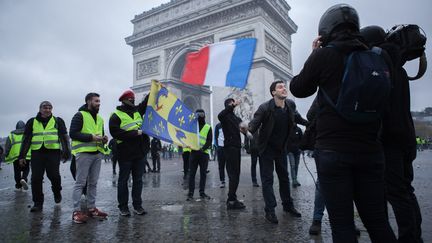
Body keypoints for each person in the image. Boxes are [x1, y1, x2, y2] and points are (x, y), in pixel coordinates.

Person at [290, 4, 397, 242]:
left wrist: (314, 53)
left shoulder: (325, 55)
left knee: (342, 225)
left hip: (333, 151)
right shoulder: (379, 57)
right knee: (378, 222)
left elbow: (298, 88)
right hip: (370, 150)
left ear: (326, 30)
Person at [361, 25, 424, 243]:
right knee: (406, 191)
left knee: (397, 194)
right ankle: (415, 236)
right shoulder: (399, 67)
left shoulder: (380, 66)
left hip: (389, 139)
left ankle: (409, 239)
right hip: (405, 137)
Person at [247, 81, 302, 224]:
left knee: (285, 178)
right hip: (266, 149)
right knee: (268, 180)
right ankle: (270, 211)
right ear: (273, 93)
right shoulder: (265, 108)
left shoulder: (290, 104)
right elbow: (254, 124)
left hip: (281, 148)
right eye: (280, 87)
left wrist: (312, 123)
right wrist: (246, 130)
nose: (284, 88)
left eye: (284, 86)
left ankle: (288, 206)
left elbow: (298, 118)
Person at [18, 101, 70, 212]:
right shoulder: (32, 122)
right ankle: (38, 203)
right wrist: (22, 156)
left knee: (54, 176)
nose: (47, 110)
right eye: (45, 108)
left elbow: (64, 137)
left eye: (50, 108)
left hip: (53, 153)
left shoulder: (58, 121)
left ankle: (57, 192)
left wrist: (66, 152)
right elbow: (26, 140)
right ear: (40, 109)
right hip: (37, 153)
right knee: (36, 178)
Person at [109, 89, 149, 216]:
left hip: (140, 152)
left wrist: (153, 90)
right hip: (125, 153)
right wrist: (135, 133)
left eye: (133, 99)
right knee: (123, 180)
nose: (132, 101)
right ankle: (123, 207)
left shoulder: (138, 111)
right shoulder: (115, 116)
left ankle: (138, 206)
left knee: (138, 180)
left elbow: (146, 102)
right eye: (129, 100)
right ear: (123, 101)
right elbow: (115, 133)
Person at [70, 93, 108, 224]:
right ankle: (76, 211)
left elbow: (100, 135)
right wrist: (91, 137)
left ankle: (92, 208)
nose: (99, 103)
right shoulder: (79, 115)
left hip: (97, 153)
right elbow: (73, 133)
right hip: (84, 153)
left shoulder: (101, 119)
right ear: (88, 102)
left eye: (99, 101)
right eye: (96, 101)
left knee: (93, 183)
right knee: (80, 183)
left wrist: (104, 139)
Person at [218, 98, 246, 210]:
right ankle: (231, 201)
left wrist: (248, 133)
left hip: (237, 147)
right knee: (233, 174)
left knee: (236, 174)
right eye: (232, 103)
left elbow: (244, 127)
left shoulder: (235, 117)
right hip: (229, 147)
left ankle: (232, 198)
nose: (234, 105)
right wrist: (233, 105)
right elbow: (220, 115)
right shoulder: (225, 116)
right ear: (228, 105)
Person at [187, 109, 212, 201]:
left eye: (202, 114)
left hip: (203, 154)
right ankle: (190, 193)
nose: (200, 116)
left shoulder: (208, 127)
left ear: (204, 115)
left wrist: (203, 148)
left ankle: (202, 192)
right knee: (192, 174)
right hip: (194, 153)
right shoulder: (192, 127)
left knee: (203, 174)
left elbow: (209, 140)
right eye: (198, 114)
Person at [4, 120, 31, 191]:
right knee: (26, 168)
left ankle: (18, 185)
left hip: (15, 157)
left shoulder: (11, 135)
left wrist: (6, 154)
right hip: (26, 155)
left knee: (17, 171)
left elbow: (7, 146)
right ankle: (23, 179)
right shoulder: (28, 134)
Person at [214, 122, 227, 188]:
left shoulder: (229, 124)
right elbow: (215, 136)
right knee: (221, 165)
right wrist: (218, 147)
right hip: (221, 148)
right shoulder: (218, 125)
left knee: (230, 166)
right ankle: (222, 181)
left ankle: (231, 180)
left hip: (228, 148)